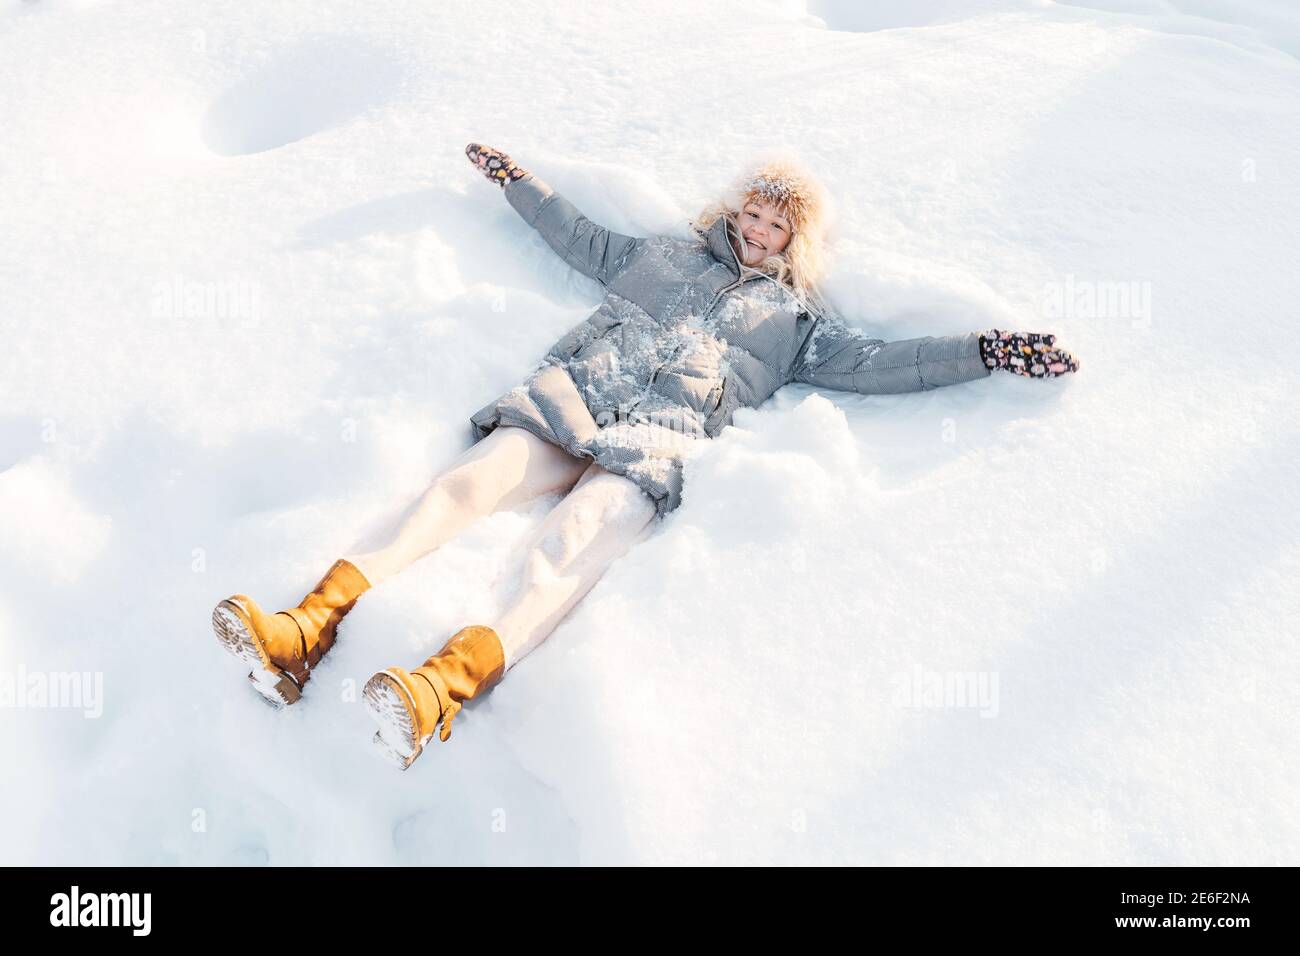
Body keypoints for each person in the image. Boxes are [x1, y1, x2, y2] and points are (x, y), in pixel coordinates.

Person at [211, 143, 1080, 770]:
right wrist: (521, 184)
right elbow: (579, 237)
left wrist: (985, 351)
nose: (756, 231)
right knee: (461, 489)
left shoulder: (797, 327)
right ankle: (305, 628)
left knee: (564, 554)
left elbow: (887, 364)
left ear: (795, 241)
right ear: (731, 209)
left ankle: (441, 688)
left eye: (776, 226)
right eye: (750, 212)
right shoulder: (659, 254)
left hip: (653, 450)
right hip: (572, 398)